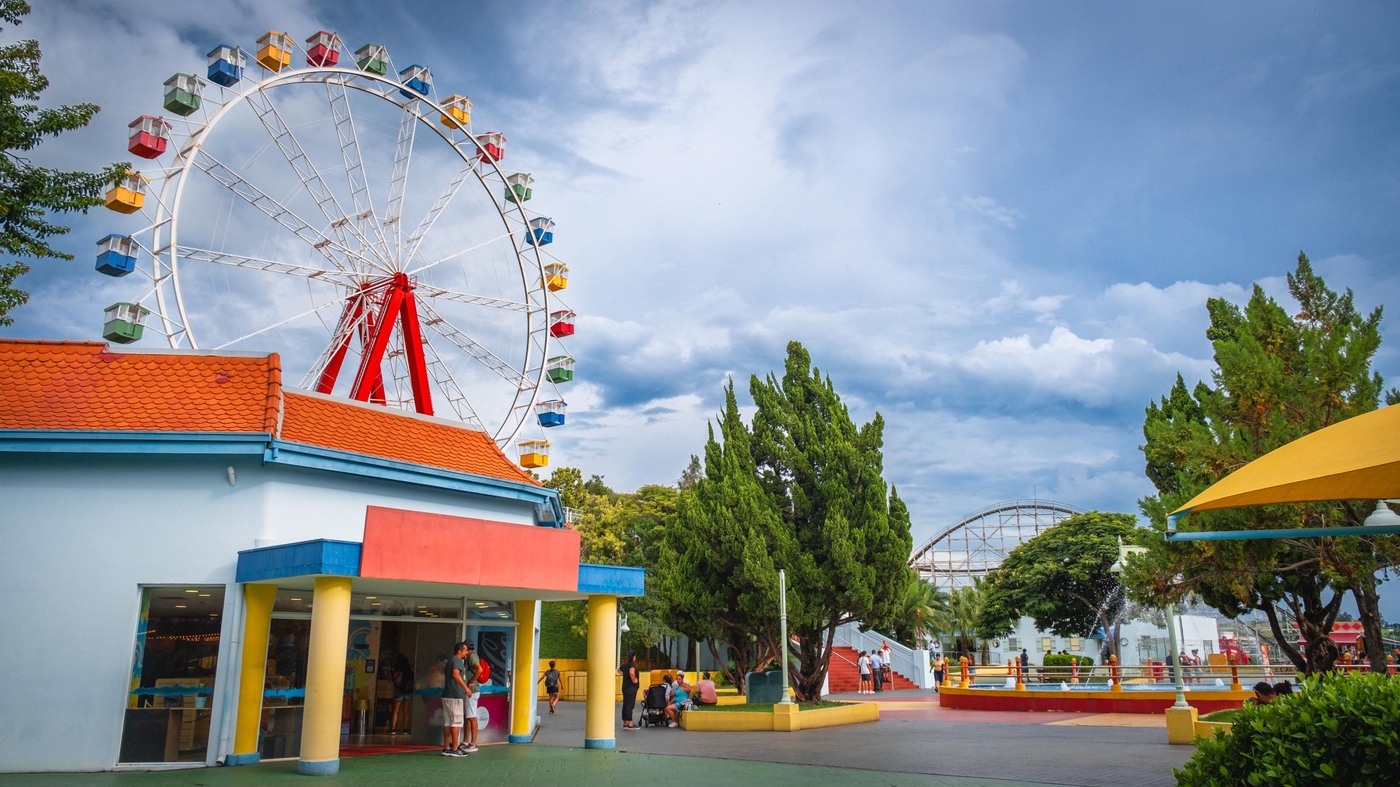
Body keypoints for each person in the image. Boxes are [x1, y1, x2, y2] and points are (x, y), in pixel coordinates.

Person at [440, 642, 469, 757]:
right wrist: (466, 688)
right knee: (456, 722)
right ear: (459, 651)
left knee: (448, 722)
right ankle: (455, 748)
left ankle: (446, 747)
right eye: (465, 650)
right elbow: (456, 675)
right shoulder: (457, 661)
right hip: (455, 695)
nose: (467, 652)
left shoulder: (450, 661)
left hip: (447, 695)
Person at [460, 641, 482, 754]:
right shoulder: (471, 656)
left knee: (472, 717)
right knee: (468, 716)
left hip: (472, 692)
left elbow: (479, 669)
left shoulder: (472, 656)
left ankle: (473, 743)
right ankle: (465, 741)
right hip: (470, 692)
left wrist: (472, 681)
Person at [390, 654, 414, 734]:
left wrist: (390, 672)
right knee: (406, 710)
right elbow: (416, 673)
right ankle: (405, 729)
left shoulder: (398, 668)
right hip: (408, 691)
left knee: (396, 710)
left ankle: (393, 729)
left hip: (399, 690)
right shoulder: (409, 667)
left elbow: (392, 678)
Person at [620, 651, 640, 730]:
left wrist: (625, 675)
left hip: (625, 687)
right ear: (634, 657)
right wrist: (634, 679)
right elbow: (632, 672)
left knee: (625, 704)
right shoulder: (631, 664)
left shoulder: (625, 664)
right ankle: (630, 723)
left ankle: (625, 722)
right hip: (631, 688)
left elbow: (619, 670)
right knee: (630, 705)